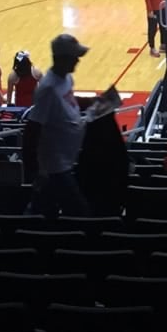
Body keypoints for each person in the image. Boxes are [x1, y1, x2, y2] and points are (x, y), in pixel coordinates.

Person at [27, 34, 109, 218]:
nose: (78, 61)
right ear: (62, 58)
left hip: (66, 162)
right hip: (54, 167)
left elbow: (70, 101)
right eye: (75, 57)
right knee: (79, 213)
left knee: (46, 211)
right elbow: (32, 128)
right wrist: (34, 170)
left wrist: (93, 102)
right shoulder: (48, 88)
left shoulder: (66, 79)